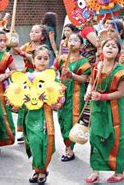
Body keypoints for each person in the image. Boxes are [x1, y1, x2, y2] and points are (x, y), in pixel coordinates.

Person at [85, 38, 124, 184]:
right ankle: (95, 171)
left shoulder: (120, 71)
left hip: (114, 109)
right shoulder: (96, 66)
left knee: (116, 138)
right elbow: (91, 83)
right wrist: (88, 92)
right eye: (107, 45)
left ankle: (119, 172)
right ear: (102, 49)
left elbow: (121, 93)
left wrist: (102, 96)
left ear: (118, 52)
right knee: (95, 137)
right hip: (98, 108)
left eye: (114, 46)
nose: (110, 48)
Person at [22, 45, 62, 184]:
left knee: (44, 143)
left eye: (46, 58)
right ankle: (37, 169)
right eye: (39, 58)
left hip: (45, 115)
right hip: (31, 116)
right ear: (33, 60)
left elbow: (59, 95)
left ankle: (42, 170)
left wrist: (58, 103)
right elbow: (19, 95)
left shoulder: (52, 77)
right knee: (33, 143)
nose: (42, 61)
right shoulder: (27, 77)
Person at [54, 33, 91, 161]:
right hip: (61, 93)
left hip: (75, 94)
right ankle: (67, 144)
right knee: (62, 120)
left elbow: (84, 79)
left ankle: (69, 149)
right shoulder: (61, 59)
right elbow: (53, 72)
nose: (72, 42)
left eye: (76, 40)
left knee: (71, 121)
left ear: (81, 45)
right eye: (70, 40)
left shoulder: (84, 62)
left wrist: (72, 75)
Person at [13, 24, 48, 143]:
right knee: (25, 103)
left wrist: (21, 52)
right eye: (32, 31)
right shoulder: (26, 45)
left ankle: (38, 129)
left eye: (37, 32)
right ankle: (24, 131)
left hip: (38, 76)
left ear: (43, 36)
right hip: (27, 75)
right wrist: (12, 39)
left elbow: (31, 57)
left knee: (37, 103)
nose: (33, 33)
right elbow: (14, 50)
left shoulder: (43, 48)